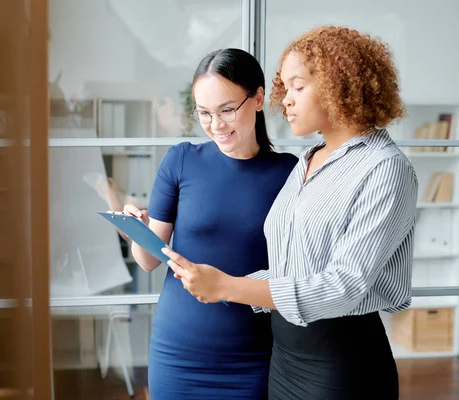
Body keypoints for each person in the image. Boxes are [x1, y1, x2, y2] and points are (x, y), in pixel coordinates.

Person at [162, 26, 417, 399]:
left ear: (339, 85)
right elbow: (293, 268)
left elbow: (343, 286)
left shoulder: (385, 168)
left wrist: (228, 286)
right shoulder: (308, 160)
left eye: (298, 87)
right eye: (285, 88)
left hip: (341, 365)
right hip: (283, 360)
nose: (287, 101)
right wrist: (218, 286)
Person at [122, 48, 298, 399]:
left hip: (252, 356)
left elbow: (296, 271)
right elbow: (149, 260)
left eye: (226, 110)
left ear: (259, 98)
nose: (216, 125)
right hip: (177, 353)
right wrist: (137, 233)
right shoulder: (181, 160)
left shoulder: (289, 172)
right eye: (204, 113)